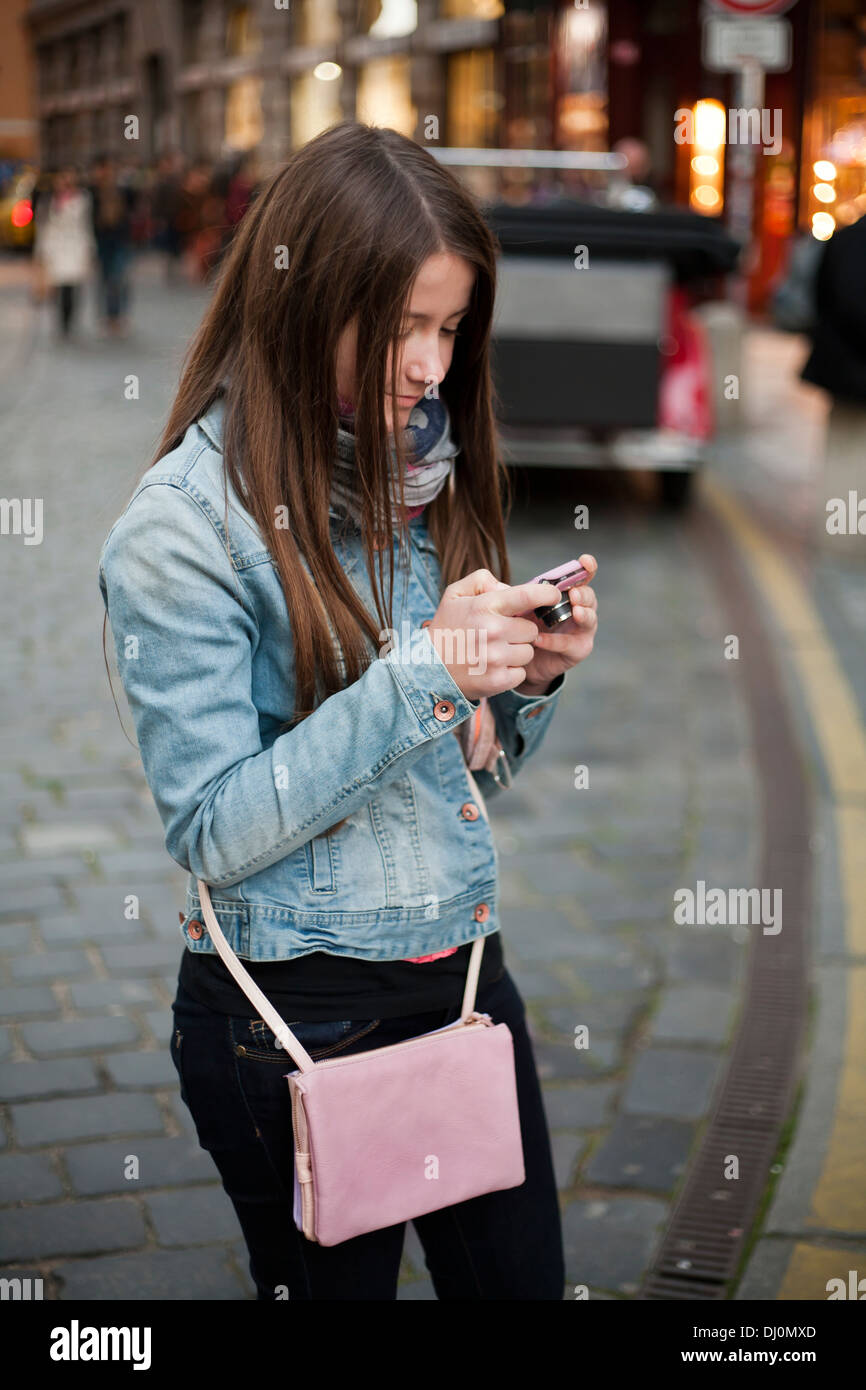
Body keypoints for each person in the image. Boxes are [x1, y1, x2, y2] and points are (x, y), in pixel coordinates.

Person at [98, 120, 599, 1301]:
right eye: (401, 327)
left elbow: (464, 775)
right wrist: (425, 672)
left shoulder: (405, 465)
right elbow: (213, 827)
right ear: (303, 301)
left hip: (463, 982)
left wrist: (525, 679)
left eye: (450, 327)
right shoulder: (179, 533)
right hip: (288, 1017)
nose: (429, 367)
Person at [800, 213, 866, 557]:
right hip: (853, 369)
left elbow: (823, 298)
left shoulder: (843, 238)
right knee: (849, 451)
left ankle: (843, 536)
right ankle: (846, 539)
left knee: (846, 452)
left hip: (844, 368)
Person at [32, 166, 96, 339]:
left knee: (73, 287)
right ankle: (62, 321)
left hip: (75, 247)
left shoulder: (83, 199)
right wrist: (40, 252)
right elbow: (42, 226)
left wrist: (90, 249)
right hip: (55, 248)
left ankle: (69, 321)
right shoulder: (48, 200)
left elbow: (86, 225)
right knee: (58, 287)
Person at [88, 153, 136, 337]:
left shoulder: (124, 189)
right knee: (105, 277)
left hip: (120, 239)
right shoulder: (91, 191)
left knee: (119, 275)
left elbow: (134, 209)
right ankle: (108, 314)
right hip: (101, 239)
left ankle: (118, 314)